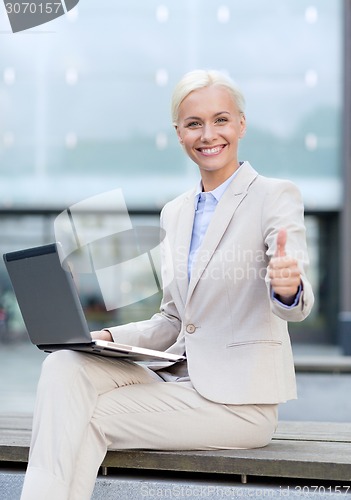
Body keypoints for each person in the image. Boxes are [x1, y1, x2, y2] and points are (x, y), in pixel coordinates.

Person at [20, 69, 314, 500]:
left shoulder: (274, 196)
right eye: (194, 123)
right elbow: (174, 319)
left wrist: (287, 286)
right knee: (64, 365)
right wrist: (99, 337)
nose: (208, 134)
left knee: (86, 416)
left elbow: (295, 298)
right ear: (178, 133)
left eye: (221, 120)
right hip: (177, 384)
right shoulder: (175, 213)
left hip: (239, 405)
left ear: (241, 125)